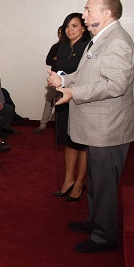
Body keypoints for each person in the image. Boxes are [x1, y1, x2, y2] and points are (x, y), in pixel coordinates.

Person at [48, 0, 134, 253]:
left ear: (106, 13)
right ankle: (95, 221)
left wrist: (74, 93)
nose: (84, 15)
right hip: (98, 127)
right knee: (97, 181)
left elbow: (115, 85)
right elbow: (85, 74)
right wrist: (63, 81)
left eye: (88, 10)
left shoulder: (117, 41)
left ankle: (104, 237)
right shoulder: (99, 39)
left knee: (105, 184)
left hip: (109, 128)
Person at [52, 13, 91, 201]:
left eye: (74, 26)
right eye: (67, 26)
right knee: (68, 141)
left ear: (83, 28)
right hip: (63, 99)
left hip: (80, 99)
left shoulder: (88, 47)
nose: (70, 29)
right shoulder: (63, 47)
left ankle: (80, 183)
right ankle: (69, 179)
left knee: (82, 144)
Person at [33, 26, 63, 134]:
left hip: (67, 80)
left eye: (62, 32)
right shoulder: (55, 47)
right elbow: (48, 60)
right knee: (49, 101)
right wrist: (59, 59)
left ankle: (62, 128)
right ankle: (43, 124)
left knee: (64, 104)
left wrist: (57, 59)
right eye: (59, 32)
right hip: (54, 79)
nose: (60, 34)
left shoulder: (71, 47)